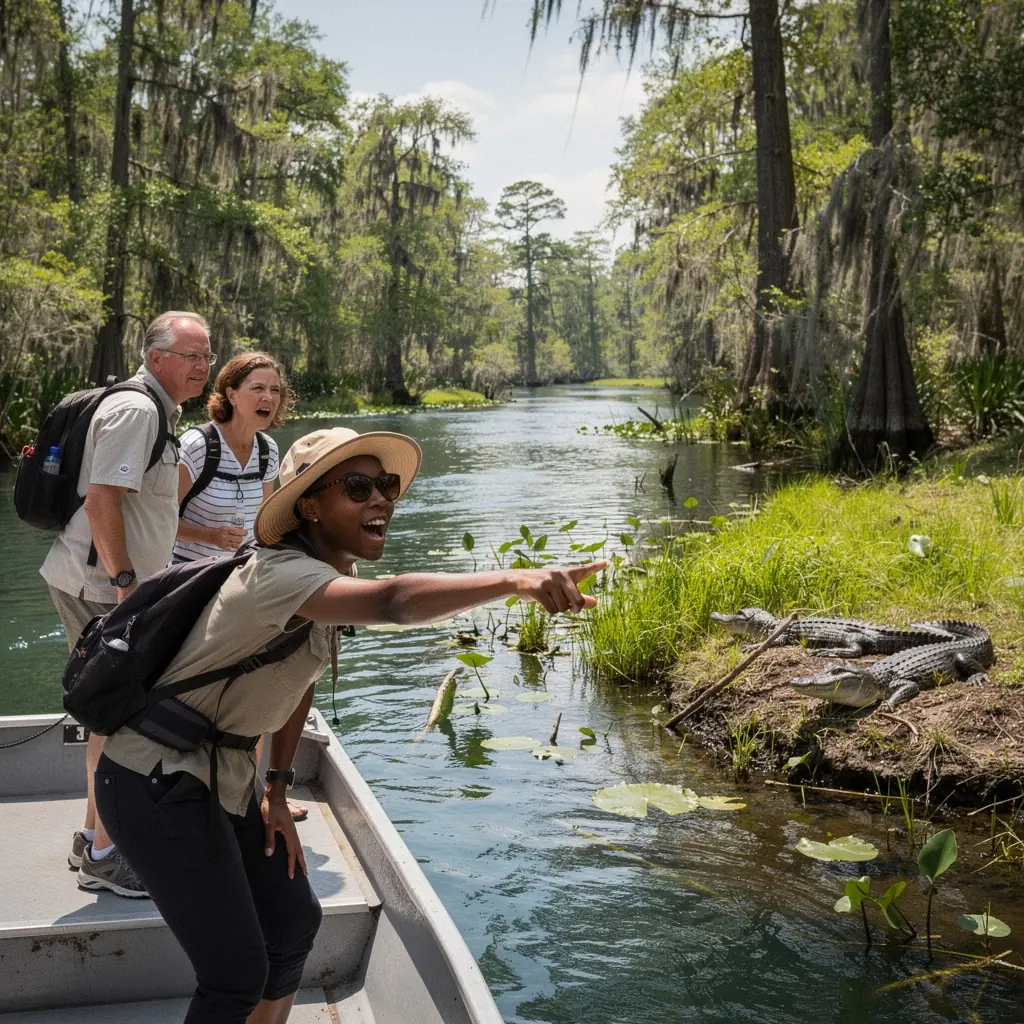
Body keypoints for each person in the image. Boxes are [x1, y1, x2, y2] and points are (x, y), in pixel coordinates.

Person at [95, 426, 604, 1024]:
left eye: (386, 485)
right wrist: (516, 581)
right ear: (309, 505)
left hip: (223, 778)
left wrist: (277, 789)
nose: (381, 499)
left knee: (292, 924)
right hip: (152, 780)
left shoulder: (327, 585)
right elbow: (394, 602)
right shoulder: (278, 575)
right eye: (358, 487)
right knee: (234, 976)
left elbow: (298, 682)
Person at [40, 310, 214, 898]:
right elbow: (102, 500)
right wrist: (124, 583)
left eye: (206, 355)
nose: (202, 366)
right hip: (103, 590)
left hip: (117, 589)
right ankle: (107, 857)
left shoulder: (160, 412)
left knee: (109, 717)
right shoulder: (138, 410)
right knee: (112, 719)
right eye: (191, 355)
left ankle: (94, 840)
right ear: (156, 356)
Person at [172, 351, 305, 821]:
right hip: (189, 584)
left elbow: (267, 525)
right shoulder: (197, 445)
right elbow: (156, 519)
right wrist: (207, 536)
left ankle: (253, 790)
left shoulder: (269, 451)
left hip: (244, 582)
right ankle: (189, 786)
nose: (268, 397)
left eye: (274, 389)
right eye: (257, 388)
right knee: (202, 691)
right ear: (230, 394)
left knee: (259, 680)